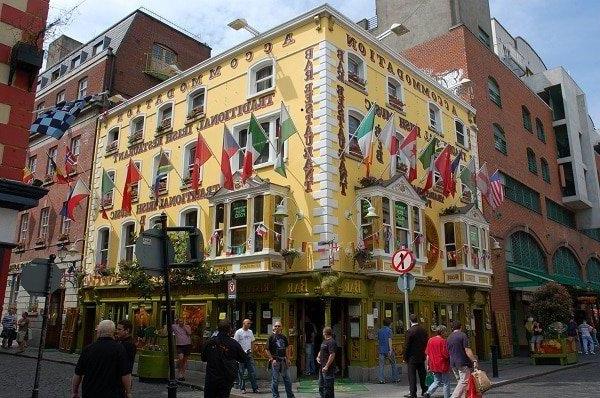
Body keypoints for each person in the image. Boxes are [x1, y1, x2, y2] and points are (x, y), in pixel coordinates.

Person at [71, 320, 132, 398]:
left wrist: (74, 392)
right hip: (113, 393)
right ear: (113, 332)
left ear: (98, 332)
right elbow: (125, 374)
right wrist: (128, 392)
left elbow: (78, 374)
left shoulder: (88, 349)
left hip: (90, 392)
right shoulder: (119, 349)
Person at [202, 319, 247, 398]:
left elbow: (203, 358)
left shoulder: (209, 342)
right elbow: (243, 358)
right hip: (226, 378)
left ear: (217, 328)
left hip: (211, 378)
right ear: (230, 329)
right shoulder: (233, 343)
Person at [447, 321, 477, 398]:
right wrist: (474, 360)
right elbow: (467, 349)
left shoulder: (449, 337)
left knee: (460, 382)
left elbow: (448, 350)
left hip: (453, 363)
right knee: (464, 381)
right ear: (461, 327)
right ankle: (453, 397)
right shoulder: (463, 335)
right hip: (462, 362)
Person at [267, 320, 295, 398]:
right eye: (276, 326)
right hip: (275, 361)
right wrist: (272, 359)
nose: (277, 327)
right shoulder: (271, 337)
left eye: (279, 326)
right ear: (273, 327)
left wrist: (288, 359)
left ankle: (290, 396)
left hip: (283, 360)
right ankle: (275, 396)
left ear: (281, 327)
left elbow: (287, 348)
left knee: (288, 380)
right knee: (275, 380)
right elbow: (267, 349)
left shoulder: (284, 337)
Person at [404, 314, 428, 398]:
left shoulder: (410, 331)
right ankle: (425, 391)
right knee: (422, 375)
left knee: (412, 375)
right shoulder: (423, 330)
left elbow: (407, 346)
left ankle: (413, 393)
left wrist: (405, 357)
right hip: (421, 356)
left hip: (412, 357)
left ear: (410, 321)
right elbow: (426, 342)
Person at [424, 325, 451, 398]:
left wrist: (427, 364)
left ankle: (428, 392)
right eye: (445, 331)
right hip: (443, 364)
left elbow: (427, 353)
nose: (446, 333)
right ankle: (446, 396)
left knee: (437, 381)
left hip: (433, 364)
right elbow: (446, 354)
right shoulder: (443, 341)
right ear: (442, 332)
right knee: (446, 382)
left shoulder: (430, 340)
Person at [233, 318, 259, 393]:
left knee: (252, 372)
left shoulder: (250, 332)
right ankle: (242, 388)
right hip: (241, 354)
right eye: (248, 323)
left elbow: (252, 342)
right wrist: (237, 354)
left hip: (249, 354)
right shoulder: (238, 332)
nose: (249, 325)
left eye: (250, 323)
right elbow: (235, 343)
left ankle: (255, 388)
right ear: (244, 324)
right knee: (241, 372)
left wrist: (252, 351)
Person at [377, 318, 400, 384]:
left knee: (381, 365)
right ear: (389, 324)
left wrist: (379, 348)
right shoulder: (389, 330)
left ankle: (381, 379)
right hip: (388, 349)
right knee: (393, 364)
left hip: (381, 350)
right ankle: (395, 378)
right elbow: (389, 340)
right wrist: (390, 349)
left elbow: (378, 341)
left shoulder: (379, 331)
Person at [316, 326, 337, 398]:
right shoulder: (324, 341)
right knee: (321, 385)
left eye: (323, 332)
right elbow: (321, 350)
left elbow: (332, 354)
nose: (322, 334)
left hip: (328, 369)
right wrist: (318, 357)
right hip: (322, 367)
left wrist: (327, 366)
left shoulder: (332, 342)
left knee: (328, 387)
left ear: (325, 333)